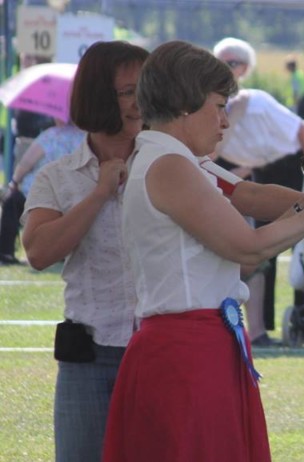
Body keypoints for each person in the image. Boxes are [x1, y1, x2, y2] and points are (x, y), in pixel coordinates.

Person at [101, 40, 304, 461]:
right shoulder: (170, 165)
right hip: (185, 351)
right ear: (183, 105)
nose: (226, 123)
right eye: (218, 106)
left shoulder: (179, 157)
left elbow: (248, 193)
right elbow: (249, 248)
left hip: (201, 344)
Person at [21, 41, 150, 462]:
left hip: (160, 352)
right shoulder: (58, 177)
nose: (141, 102)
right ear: (98, 96)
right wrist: (98, 194)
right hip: (88, 358)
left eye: (146, 89)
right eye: (129, 91)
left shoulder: (174, 167)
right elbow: (38, 252)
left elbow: (245, 198)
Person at [213, 37, 304, 347]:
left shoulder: (256, 100)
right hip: (257, 170)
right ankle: (260, 331)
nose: (224, 68)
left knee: (302, 244)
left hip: (290, 166)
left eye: (231, 63)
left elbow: (301, 128)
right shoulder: (219, 106)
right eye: (219, 61)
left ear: (244, 68)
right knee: (263, 249)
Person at [0, 120, 85, 265]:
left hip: (36, 194)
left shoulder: (50, 136)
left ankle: (6, 252)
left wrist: (14, 182)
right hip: (72, 197)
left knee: (11, 202)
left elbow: (26, 163)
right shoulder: (87, 139)